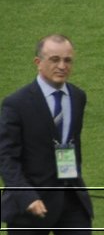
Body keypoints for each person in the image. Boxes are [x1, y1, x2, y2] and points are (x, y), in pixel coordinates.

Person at [0, 36, 92, 232]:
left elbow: (70, 143)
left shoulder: (78, 97)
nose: (62, 66)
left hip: (72, 200)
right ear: (38, 63)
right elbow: (6, 157)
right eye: (54, 59)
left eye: (67, 60)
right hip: (31, 204)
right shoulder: (16, 103)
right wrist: (26, 196)